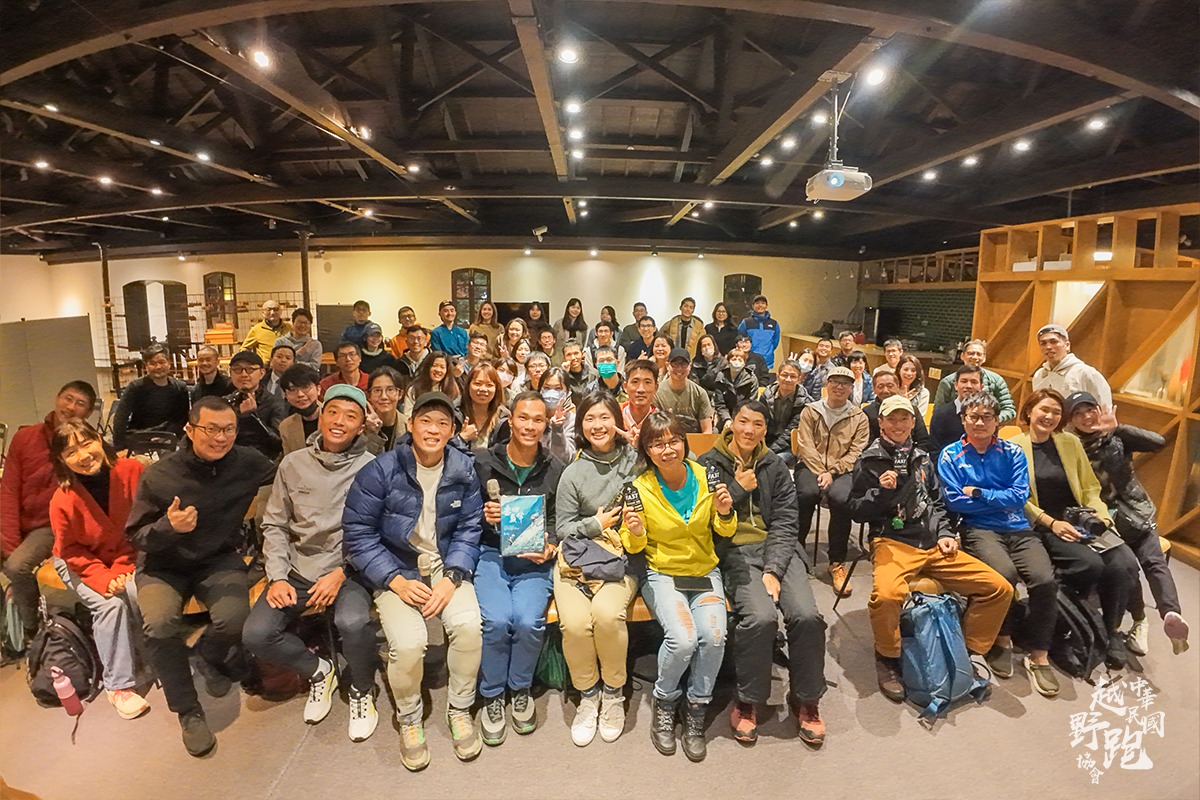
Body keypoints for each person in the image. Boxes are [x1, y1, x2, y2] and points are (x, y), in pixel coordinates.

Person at [126, 397, 276, 755]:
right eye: (210, 429)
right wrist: (168, 527)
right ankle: (188, 712)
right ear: (189, 430)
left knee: (235, 618)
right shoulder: (160, 475)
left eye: (228, 430)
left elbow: (287, 471)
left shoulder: (248, 463)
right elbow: (135, 535)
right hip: (162, 564)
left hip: (217, 559)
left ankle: (210, 652)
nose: (220, 438)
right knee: (159, 624)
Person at [343, 391, 484, 771]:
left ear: (452, 431)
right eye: (425, 421)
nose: (433, 430)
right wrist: (393, 579)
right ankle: (408, 717)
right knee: (408, 643)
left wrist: (453, 576)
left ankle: (459, 708)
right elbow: (358, 534)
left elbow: (469, 528)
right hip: (396, 568)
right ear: (411, 424)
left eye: (442, 423)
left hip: (445, 565)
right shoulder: (381, 470)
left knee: (469, 626)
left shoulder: (463, 469)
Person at [849, 395, 1013, 703]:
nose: (898, 424)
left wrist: (946, 533)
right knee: (887, 596)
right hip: (892, 541)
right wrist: (881, 492)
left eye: (904, 418)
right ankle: (887, 657)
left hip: (932, 542)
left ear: (914, 422)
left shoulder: (922, 457)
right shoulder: (870, 460)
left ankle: (965, 653)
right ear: (881, 423)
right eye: (892, 419)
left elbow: (936, 502)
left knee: (998, 588)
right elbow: (856, 511)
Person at [243, 385, 380, 740]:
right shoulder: (293, 464)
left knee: (352, 622)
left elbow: (376, 533)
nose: (339, 421)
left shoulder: (372, 468)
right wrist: (277, 576)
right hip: (298, 567)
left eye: (350, 416)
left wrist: (341, 573)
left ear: (361, 426)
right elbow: (274, 524)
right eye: (333, 412)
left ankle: (362, 689)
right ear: (320, 416)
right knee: (257, 634)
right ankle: (319, 670)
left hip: (350, 568)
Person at [700, 401, 828, 746]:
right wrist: (738, 488)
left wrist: (773, 568)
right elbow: (703, 519)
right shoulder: (708, 464)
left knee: (807, 615)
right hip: (734, 551)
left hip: (778, 550)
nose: (749, 430)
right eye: (743, 421)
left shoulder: (775, 465)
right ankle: (747, 700)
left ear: (765, 430)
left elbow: (786, 521)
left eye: (757, 424)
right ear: (731, 423)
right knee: (760, 617)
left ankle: (807, 699)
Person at [620, 412, 736, 762]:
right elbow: (634, 545)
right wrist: (636, 530)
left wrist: (725, 512)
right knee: (683, 639)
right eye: (657, 444)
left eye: (673, 441)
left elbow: (725, 530)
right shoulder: (641, 488)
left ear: (684, 443)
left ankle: (697, 706)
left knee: (714, 637)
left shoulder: (704, 476)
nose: (667, 449)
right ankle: (665, 700)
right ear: (647, 450)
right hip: (663, 574)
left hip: (704, 570)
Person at [937, 391, 1060, 697]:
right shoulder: (950, 455)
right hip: (978, 529)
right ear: (963, 419)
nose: (980, 423)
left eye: (986, 417)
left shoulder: (1012, 452)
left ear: (997, 421)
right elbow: (954, 501)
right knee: (1004, 575)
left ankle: (1039, 654)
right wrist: (995, 499)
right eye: (973, 417)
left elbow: (1019, 497)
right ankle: (1002, 638)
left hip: (1018, 527)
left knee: (1045, 581)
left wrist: (978, 493)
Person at [1012, 389, 1140, 670]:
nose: (1049, 416)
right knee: (1089, 565)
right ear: (1030, 411)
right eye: (1044, 410)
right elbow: (1019, 499)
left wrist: (1101, 517)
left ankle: (1110, 631)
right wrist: (1052, 523)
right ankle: (1065, 627)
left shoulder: (1069, 442)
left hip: (1081, 519)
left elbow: (1090, 487)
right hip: (1045, 524)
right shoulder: (1014, 446)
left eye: (1056, 412)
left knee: (1125, 564)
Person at [1066, 392, 1190, 655]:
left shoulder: (1116, 436)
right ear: (1071, 419)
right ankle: (1140, 620)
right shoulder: (1070, 446)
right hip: (1105, 520)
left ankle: (1171, 614)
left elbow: (1157, 442)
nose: (1086, 417)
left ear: (1099, 410)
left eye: (1090, 409)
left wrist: (1117, 428)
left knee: (1154, 562)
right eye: (1078, 413)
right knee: (1128, 567)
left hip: (1137, 511)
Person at [474, 392, 564, 746]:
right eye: (523, 418)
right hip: (491, 554)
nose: (530, 426)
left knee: (527, 621)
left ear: (546, 424)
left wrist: (551, 545)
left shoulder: (555, 468)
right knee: (497, 621)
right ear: (510, 420)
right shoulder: (483, 462)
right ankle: (493, 693)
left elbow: (558, 520)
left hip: (534, 561)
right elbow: (464, 516)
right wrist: (484, 516)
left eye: (538, 420)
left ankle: (520, 688)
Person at [47, 419, 151, 720]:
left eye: (86, 443)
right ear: (62, 460)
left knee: (136, 592)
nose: (83, 456)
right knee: (110, 605)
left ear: (99, 439)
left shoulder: (132, 470)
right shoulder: (62, 500)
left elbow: (144, 524)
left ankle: (154, 661)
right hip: (78, 562)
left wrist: (121, 568)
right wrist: (105, 579)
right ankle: (118, 686)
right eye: (71, 452)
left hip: (127, 555)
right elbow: (71, 551)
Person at [554, 392, 641, 746]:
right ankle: (588, 695)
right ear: (581, 426)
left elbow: (684, 464)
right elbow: (562, 529)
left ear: (617, 421)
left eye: (605, 417)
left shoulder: (634, 461)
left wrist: (641, 445)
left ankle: (614, 692)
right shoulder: (573, 472)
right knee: (575, 623)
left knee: (606, 615)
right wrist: (595, 524)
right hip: (577, 560)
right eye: (590, 418)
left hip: (622, 558)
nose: (598, 425)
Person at [2, 381, 99, 647]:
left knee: (16, 566)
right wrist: (9, 539)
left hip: (49, 525)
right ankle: (6, 627)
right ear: (57, 398)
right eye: (68, 398)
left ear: (88, 413)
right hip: (21, 517)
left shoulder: (83, 446)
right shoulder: (25, 437)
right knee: (10, 557)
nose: (71, 407)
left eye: (80, 404)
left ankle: (32, 630)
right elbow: (8, 489)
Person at [793, 366, 869, 597]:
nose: (839, 386)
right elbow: (805, 444)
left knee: (841, 498)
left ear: (851, 387)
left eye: (845, 383)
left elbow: (856, 452)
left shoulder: (859, 417)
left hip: (842, 469)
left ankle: (837, 562)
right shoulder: (811, 411)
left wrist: (833, 471)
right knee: (805, 494)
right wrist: (821, 471)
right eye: (834, 381)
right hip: (810, 466)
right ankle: (795, 553)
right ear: (827, 384)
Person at [112, 344, 190, 451]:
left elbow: (181, 419)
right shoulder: (136, 387)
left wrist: (164, 436)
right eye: (152, 363)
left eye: (162, 362)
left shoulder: (180, 388)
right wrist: (119, 447)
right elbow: (121, 417)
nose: (158, 367)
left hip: (168, 437)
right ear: (146, 366)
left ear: (169, 363)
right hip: (140, 437)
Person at [933, 339, 1015, 423]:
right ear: (962, 356)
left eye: (979, 354)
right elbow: (938, 411)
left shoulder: (996, 380)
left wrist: (990, 420)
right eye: (970, 353)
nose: (975, 357)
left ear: (984, 358)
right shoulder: (948, 381)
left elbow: (1009, 410)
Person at [227, 350, 287, 463]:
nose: (244, 374)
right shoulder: (226, 402)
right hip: (229, 462)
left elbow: (278, 443)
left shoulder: (275, 403)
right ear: (230, 373)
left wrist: (251, 417)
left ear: (262, 373)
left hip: (264, 463)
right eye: (237, 370)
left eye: (250, 369)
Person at [1031, 324, 1112, 408]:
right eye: (1043, 343)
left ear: (1067, 345)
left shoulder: (1086, 373)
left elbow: (1104, 408)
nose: (1048, 347)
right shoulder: (1039, 376)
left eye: (1054, 342)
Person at [760, 358, 812, 468]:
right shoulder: (766, 396)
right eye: (784, 375)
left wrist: (768, 452)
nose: (788, 379)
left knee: (773, 463)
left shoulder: (805, 402)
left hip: (789, 446)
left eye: (793, 376)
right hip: (766, 442)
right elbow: (761, 422)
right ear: (778, 376)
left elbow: (790, 433)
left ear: (799, 379)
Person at [865, 368, 930, 452]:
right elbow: (867, 444)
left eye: (890, 386)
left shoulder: (911, 409)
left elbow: (923, 441)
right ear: (874, 389)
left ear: (898, 387)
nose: (886, 390)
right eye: (880, 387)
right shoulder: (867, 412)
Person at [654, 348, 714, 434]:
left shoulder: (700, 393)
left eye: (683, 364)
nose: (679, 368)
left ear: (690, 366)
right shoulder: (657, 393)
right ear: (667, 365)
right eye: (675, 364)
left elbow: (707, 431)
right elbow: (655, 428)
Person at [928, 365, 984, 456]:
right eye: (964, 381)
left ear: (981, 386)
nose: (968, 386)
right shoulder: (941, 414)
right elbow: (934, 451)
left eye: (974, 382)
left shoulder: (987, 416)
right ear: (956, 385)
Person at [460, 364, 507, 454]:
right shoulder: (455, 414)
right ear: (468, 385)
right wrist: (461, 438)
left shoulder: (504, 418)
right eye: (478, 383)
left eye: (489, 385)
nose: (483, 389)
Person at [278, 365, 322, 455]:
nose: (300, 394)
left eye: (305, 387)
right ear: (286, 395)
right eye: (293, 389)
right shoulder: (286, 427)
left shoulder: (335, 418)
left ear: (318, 389)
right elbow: (289, 460)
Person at [712, 346, 759, 431]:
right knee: (715, 433)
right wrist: (727, 419)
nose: (736, 362)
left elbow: (751, 403)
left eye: (740, 360)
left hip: (745, 417)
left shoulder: (751, 380)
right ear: (728, 362)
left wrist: (738, 421)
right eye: (733, 359)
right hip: (725, 417)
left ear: (744, 363)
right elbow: (720, 404)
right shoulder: (721, 378)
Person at [364, 367, 408, 453]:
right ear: (369, 395)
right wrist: (371, 433)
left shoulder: (409, 427)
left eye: (390, 390)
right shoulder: (361, 428)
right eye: (377, 390)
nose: (384, 396)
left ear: (400, 394)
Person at [403, 351, 460, 416]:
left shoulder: (452, 390)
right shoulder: (414, 389)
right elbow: (407, 415)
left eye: (442, 367)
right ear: (428, 367)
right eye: (434, 366)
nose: (438, 370)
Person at [620, 360, 659, 445]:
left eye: (647, 382)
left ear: (656, 387)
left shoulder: (661, 422)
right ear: (625, 387)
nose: (641, 389)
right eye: (635, 382)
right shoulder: (614, 417)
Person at [737, 294, 781, 370]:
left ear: (766, 306)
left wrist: (769, 351)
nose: (760, 305)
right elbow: (740, 339)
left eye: (763, 303)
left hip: (767, 361)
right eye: (757, 303)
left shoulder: (774, 324)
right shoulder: (746, 322)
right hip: (749, 360)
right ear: (753, 306)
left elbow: (775, 342)